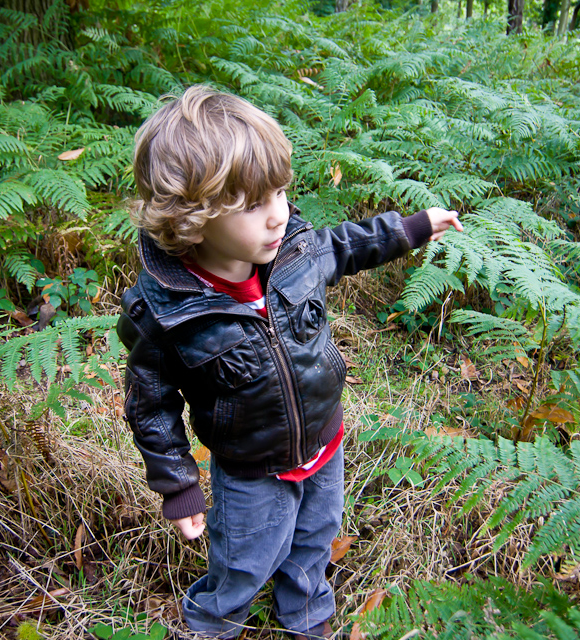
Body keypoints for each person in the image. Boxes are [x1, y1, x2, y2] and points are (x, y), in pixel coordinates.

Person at [117, 85, 463, 639]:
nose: (279, 214)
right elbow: (149, 404)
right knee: (246, 559)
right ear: (192, 216)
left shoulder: (295, 247)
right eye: (253, 204)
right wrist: (178, 483)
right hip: (252, 465)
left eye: (280, 191)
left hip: (325, 441)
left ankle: (307, 617)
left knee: (314, 542)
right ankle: (211, 622)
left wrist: (411, 227)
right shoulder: (166, 310)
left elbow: (348, 245)